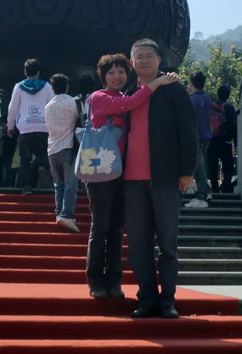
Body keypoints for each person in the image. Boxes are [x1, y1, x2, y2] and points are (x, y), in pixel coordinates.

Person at [85, 54, 178, 300]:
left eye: (121, 72)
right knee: (100, 226)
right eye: (111, 72)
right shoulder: (99, 97)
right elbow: (130, 104)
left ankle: (114, 281)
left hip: (124, 171)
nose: (117, 76)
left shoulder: (125, 96)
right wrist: (156, 82)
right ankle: (96, 281)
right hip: (101, 170)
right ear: (103, 76)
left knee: (117, 228)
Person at [124, 39, 197, 319]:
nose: (143, 60)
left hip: (165, 177)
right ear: (132, 62)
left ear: (158, 60)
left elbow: (188, 131)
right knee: (138, 244)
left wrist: (187, 171)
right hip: (131, 181)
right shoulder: (128, 93)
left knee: (167, 244)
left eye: (148, 56)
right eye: (138, 56)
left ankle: (167, 300)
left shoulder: (174, 90)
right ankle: (147, 299)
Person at [7, 58, 54, 195]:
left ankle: (26, 187)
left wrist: (10, 125)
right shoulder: (47, 86)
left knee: (25, 159)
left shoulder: (19, 87)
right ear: (39, 72)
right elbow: (53, 105)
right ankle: (53, 181)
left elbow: (12, 107)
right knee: (44, 156)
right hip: (43, 127)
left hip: (25, 128)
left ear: (25, 72)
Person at [45, 74, 80, 233]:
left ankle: (59, 212)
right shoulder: (72, 102)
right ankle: (67, 215)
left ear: (52, 89)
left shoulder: (48, 106)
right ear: (67, 87)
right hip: (68, 147)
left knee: (58, 184)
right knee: (70, 184)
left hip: (52, 149)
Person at [185, 71, 212, 209]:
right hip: (206, 136)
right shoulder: (207, 99)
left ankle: (201, 196)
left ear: (191, 83)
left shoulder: (190, 100)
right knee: (199, 165)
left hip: (195, 137)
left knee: (198, 168)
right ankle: (206, 190)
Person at [207, 85, 237, 194]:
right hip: (225, 142)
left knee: (212, 167)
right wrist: (236, 142)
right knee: (228, 167)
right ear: (228, 96)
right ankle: (225, 187)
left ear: (217, 94)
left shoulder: (211, 106)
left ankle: (215, 189)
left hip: (211, 141)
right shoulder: (229, 108)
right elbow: (233, 126)